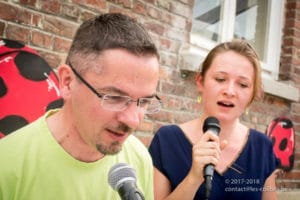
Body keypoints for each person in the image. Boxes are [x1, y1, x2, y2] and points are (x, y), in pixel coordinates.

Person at [0, 13, 162, 199]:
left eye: (145, 101)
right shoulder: (6, 165)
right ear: (68, 82)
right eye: (115, 97)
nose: (133, 121)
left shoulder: (138, 157)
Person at [149, 39, 278, 200]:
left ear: (252, 94)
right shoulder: (167, 140)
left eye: (243, 85)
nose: (230, 91)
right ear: (200, 82)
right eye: (220, 79)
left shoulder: (263, 147)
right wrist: (193, 179)